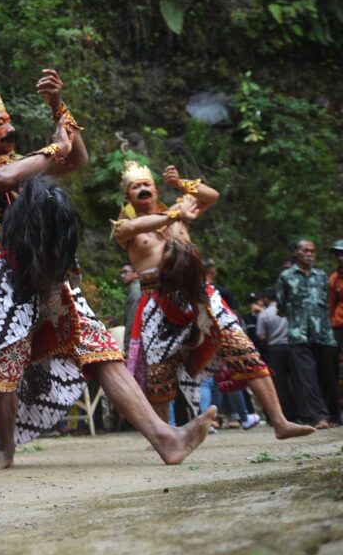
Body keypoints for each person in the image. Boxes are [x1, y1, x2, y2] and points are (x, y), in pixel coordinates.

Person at [0, 76, 216, 471]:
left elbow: (76, 160)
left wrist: (59, 108)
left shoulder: (24, 164)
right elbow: (3, 181)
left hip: (46, 270)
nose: (10, 128)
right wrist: (53, 148)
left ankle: (167, 438)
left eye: (9, 120)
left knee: (100, 351)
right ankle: (5, 448)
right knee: (3, 362)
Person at [114, 161, 312, 439]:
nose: (143, 189)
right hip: (157, 301)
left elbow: (211, 196)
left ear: (156, 190)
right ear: (129, 196)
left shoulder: (179, 215)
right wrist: (174, 213)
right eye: (136, 187)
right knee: (159, 374)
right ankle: (165, 436)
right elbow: (141, 225)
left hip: (199, 296)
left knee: (243, 349)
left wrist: (180, 184)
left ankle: (280, 422)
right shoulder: (127, 226)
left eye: (147, 184)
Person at [277, 239, 337, 427]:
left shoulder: (321, 276)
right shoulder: (286, 277)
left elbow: (327, 301)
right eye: (306, 250)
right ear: (296, 253)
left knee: (328, 376)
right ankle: (319, 417)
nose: (310, 254)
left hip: (324, 333)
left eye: (313, 251)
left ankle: (333, 414)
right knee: (307, 378)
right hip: (299, 334)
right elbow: (281, 305)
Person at [256, 287, 302, 422]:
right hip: (293, 346)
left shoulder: (264, 314)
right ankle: (302, 412)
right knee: (296, 379)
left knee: (280, 384)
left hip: (275, 349)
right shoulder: (288, 310)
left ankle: (287, 415)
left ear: (265, 299)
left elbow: (261, 336)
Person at [331, 240, 343, 416]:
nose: (341, 257)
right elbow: (330, 305)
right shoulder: (334, 278)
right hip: (340, 325)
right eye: (338, 254)